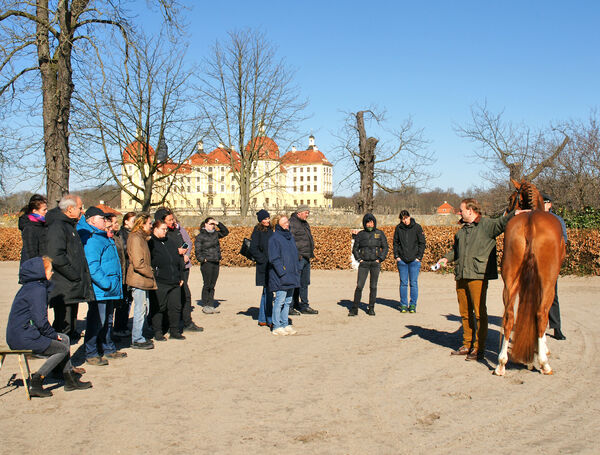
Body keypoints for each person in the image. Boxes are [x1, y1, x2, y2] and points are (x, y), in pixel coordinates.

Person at [438, 198, 515, 361]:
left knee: (480, 313)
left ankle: (479, 347)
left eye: (461, 210)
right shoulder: (461, 232)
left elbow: (503, 222)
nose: (459, 212)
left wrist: (518, 212)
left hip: (478, 276)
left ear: (470, 211)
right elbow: (455, 251)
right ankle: (467, 344)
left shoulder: (487, 225)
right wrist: (445, 259)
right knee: (464, 313)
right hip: (462, 275)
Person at [6, 257, 92, 397]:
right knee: (62, 347)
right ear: (40, 272)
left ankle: (69, 379)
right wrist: (52, 335)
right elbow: (40, 321)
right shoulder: (37, 290)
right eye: (50, 270)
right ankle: (37, 381)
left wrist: (53, 335)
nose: (52, 273)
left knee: (64, 339)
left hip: (20, 333)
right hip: (23, 336)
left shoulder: (32, 286)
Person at [78, 207, 127, 366]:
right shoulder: (92, 238)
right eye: (102, 218)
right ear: (91, 220)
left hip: (110, 288)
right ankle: (91, 352)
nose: (106, 221)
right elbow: (92, 266)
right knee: (96, 321)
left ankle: (108, 348)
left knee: (107, 321)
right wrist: (107, 283)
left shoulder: (103, 236)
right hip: (102, 289)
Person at [46, 194, 94, 342]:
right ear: (69, 208)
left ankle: (67, 364)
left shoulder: (69, 225)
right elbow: (56, 256)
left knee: (70, 327)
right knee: (63, 327)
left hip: (72, 286)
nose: (82, 211)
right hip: (64, 286)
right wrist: (74, 275)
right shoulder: (58, 226)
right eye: (80, 208)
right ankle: (59, 363)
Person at [155, 208, 202, 332]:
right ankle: (167, 325)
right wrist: (177, 252)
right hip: (170, 269)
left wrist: (185, 252)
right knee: (169, 299)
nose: (173, 221)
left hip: (183, 266)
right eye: (170, 220)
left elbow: (186, 242)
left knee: (185, 295)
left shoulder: (177, 229)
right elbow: (161, 250)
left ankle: (187, 322)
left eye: (173, 218)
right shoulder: (161, 233)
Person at [149, 219, 185, 340]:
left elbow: (178, 259)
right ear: (155, 229)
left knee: (175, 306)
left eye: (166, 229)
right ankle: (158, 331)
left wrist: (180, 276)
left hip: (174, 280)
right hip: (160, 280)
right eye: (163, 229)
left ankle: (174, 330)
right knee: (159, 307)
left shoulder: (170, 241)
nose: (165, 231)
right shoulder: (151, 242)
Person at [126, 214, 156, 349]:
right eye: (149, 223)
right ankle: (137, 338)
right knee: (140, 309)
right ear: (142, 224)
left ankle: (140, 335)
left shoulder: (141, 238)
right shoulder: (136, 238)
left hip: (142, 278)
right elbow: (138, 263)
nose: (151, 226)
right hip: (139, 279)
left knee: (144, 308)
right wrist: (150, 273)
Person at [349, 213, 389, 316]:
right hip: (364, 263)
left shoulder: (379, 233)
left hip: (375, 263)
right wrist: (359, 259)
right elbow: (355, 249)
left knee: (373, 286)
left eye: (371, 222)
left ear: (374, 223)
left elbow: (385, 247)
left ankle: (371, 308)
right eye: (368, 223)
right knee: (359, 286)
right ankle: (354, 308)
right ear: (364, 224)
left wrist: (380, 259)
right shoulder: (361, 235)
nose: (370, 225)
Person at [268, 215, 301, 336]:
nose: (287, 224)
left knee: (288, 301)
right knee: (280, 301)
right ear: (278, 224)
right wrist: (282, 271)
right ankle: (276, 326)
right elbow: (274, 258)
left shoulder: (290, 237)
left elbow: (294, 255)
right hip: (281, 275)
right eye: (285, 222)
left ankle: (285, 323)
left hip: (292, 273)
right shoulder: (274, 238)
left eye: (287, 221)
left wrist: (296, 269)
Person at [543, 193, 568, 340]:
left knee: (553, 295)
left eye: (545, 202)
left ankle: (556, 327)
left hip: (550, 262)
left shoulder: (557, 220)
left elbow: (563, 239)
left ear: (550, 204)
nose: (543, 205)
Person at [393, 210, 426, 313]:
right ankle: (403, 304)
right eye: (403, 219)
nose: (405, 220)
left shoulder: (417, 227)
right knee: (403, 283)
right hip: (402, 260)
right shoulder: (398, 228)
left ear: (409, 217)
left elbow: (422, 243)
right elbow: (395, 243)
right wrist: (397, 256)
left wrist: (419, 257)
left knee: (413, 283)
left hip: (414, 261)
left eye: (406, 218)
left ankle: (412, 305)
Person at [194, 217, 229, 314]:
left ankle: (211, 304)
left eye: (213, 224)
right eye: (210, 223)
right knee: (207, 284)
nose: (212, 225)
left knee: (212, 285)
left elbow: (225, 232)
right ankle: (205, 304)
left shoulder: (216, 234)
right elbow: (197, 250)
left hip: (216, 261)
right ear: (205, 224)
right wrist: (202, 259)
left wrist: (217, 223)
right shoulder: (201, 236)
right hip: (207, 263)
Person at [289, 205, 318, 315]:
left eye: (308, 212)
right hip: (298, 258)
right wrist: (296, 255)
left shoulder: (305, 223)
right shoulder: (292, 223)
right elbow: (290, 241)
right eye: (306, 212)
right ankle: (290, 306)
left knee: (304, 283)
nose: (307, 215)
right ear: (299, 213)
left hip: (306, 257)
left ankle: (304, 305)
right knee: (294, 283)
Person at [113, 212, 136, 338]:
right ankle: (119, 326)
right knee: (123, 301)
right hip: (125, 269)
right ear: (126, 221)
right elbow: (124, 250)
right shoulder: (122, 234)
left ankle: (123, 325)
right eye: (133, 221)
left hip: (130, 269)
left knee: (128, 300)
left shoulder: (132, 233)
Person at [249, 209, 273, 327]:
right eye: (265, 219)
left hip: (272, 264)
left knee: (267, 292)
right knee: (267, 292)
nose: (267, 221)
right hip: (264, 265)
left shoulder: (271, 229)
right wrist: (262, 259)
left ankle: (263, 318)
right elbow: (253, 248)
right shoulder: (257, 230)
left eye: (268, 218)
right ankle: (267, 318)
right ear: (260, 220)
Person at [18, 194, 48, 267]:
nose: (46, 212)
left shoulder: (43, 224)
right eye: (44, 210)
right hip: (35, 268)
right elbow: (31, 253)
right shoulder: (29, 227)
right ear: (34, 211)